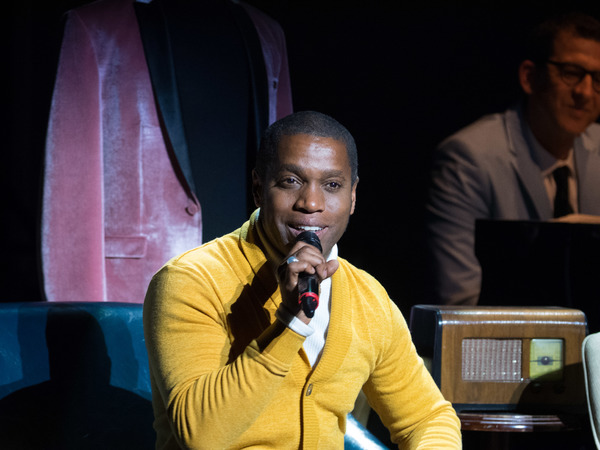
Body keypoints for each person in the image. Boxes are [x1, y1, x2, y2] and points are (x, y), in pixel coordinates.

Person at [144, 111, 462, 449]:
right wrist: (290, 323)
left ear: (352, 197)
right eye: (290, 181)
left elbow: (428, 418)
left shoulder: (367, 297)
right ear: (257, 188)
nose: (311, 203)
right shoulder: (191, 280)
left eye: (332, 185)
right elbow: (201, 435)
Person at [41, 0, 292, 304]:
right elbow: (71, 191)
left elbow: (290, 167)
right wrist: (81, 321)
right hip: (138, 293)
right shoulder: (95, 28)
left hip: (250, 284)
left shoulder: (267, 34)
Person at [424, 12, 600, 306]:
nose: (584, 91)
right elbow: (461, 302)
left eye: (597, 79)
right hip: (503, 346)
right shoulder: (469, 159)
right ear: (530, 77)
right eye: (571, 72)